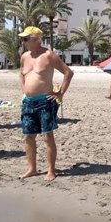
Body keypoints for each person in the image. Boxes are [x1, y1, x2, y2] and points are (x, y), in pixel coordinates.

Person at [19, 26, 74, 181]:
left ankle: (51, 170)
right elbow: (21, 74)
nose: (23, 42)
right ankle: (32, 168)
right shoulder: (24, 56)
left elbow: (68, 72)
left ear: (36, 39)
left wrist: (60, 93)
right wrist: (24, 91)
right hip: (28, 102)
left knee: (47, 136)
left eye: (26, 39)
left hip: (45, 101)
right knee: (28, 136)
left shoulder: (49, 55)